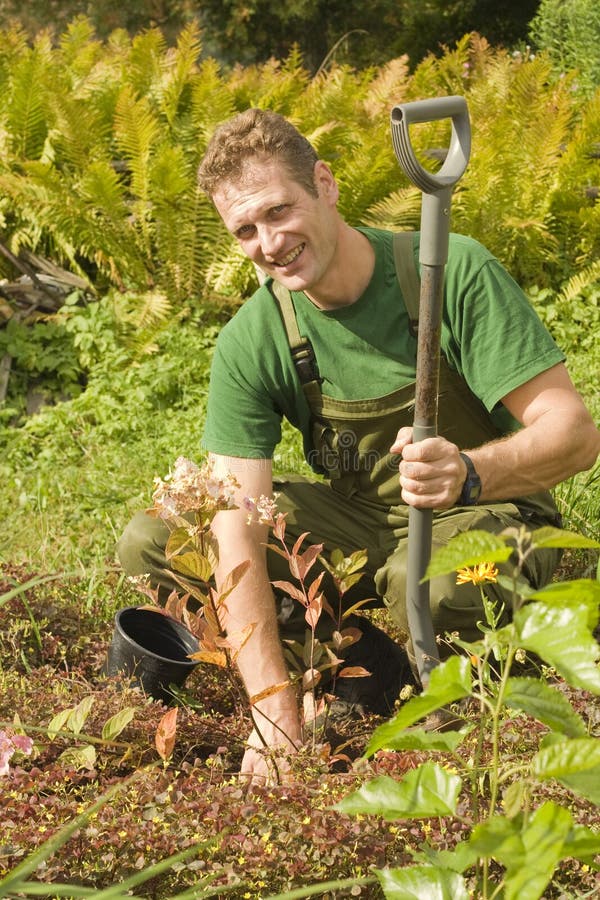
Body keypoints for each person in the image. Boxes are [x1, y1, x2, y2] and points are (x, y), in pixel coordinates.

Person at [117, 108, 600, 785]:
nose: (269, 242)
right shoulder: (254, 339)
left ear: (326, 184)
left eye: (279, 211)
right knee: (160, 538)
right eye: (245, 230)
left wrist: (469, 470)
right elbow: (234, 526)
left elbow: (573, 436)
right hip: (365, 525)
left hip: (489, 519)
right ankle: (368, 666)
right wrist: (274, 712)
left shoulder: (450, 272)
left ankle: (502, 700)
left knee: (425, 585)